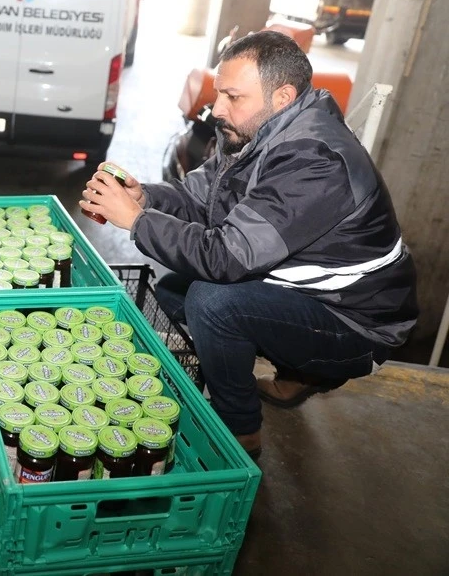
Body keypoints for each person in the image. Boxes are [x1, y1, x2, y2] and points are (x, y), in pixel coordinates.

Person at [80, 30, 417, 458]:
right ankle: (299, 373)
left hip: (357, 321)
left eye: (233, 97)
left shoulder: (315, 162)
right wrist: (145, 197)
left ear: (283, 96)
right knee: (172, 289)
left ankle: (241, 431)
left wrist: (136, 221)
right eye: (219, 92)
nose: (217, 108)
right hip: (302, 292)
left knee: (212, 302)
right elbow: (198, 197)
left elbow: (226, 258)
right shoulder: (251, 134)